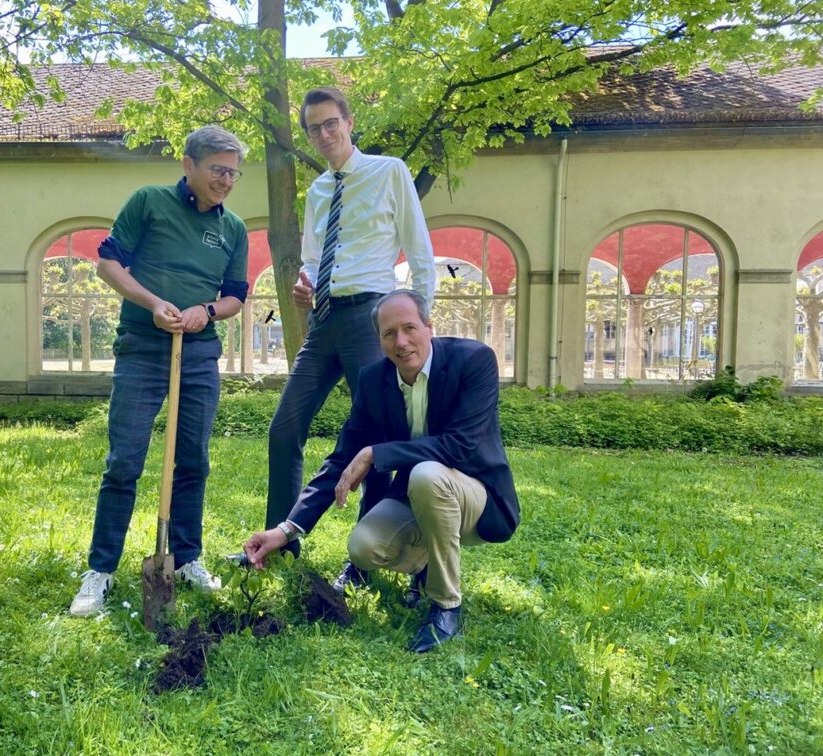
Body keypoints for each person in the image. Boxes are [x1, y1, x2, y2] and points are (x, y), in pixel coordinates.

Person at [243, 290, 520, 652]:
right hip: (421, 496)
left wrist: (377, 453)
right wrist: (286, 528)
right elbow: (343, 459)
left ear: (429, 326)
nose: (401, 342)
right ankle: (425, 566)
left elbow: (458, 446)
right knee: (363, 548)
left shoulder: (473, 360)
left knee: (426, 475)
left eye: (409, 328)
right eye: (389, 334)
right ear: (379, 340)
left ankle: (444, 605)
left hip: (478, 498)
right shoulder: (375, 380)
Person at [70, 126, 249, 617]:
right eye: (217, 169)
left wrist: (207, 312)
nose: (226, 180)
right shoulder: (148, 202)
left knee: (193, 460)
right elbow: (108, 264)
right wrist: (153, 303)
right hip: (142, 348)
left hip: (198, 354)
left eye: (233, 173)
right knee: (124, 461)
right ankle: (100, 572)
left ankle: (187, 557)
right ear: (188, 164)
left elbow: (236, 293)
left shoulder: (232, 228)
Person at [265, 87, 436, 593]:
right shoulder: (319, 191)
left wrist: (419, 321)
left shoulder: (390, 172)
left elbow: (421, 252)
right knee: (283, 427)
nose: (324, 134)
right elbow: (316, 258)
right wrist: (305, 280)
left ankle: (363, 562)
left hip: (371, 316)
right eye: (314, 128)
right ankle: (283, 538)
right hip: (325, 322)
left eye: (330, 123)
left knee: (374, 439)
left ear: (349, 121)